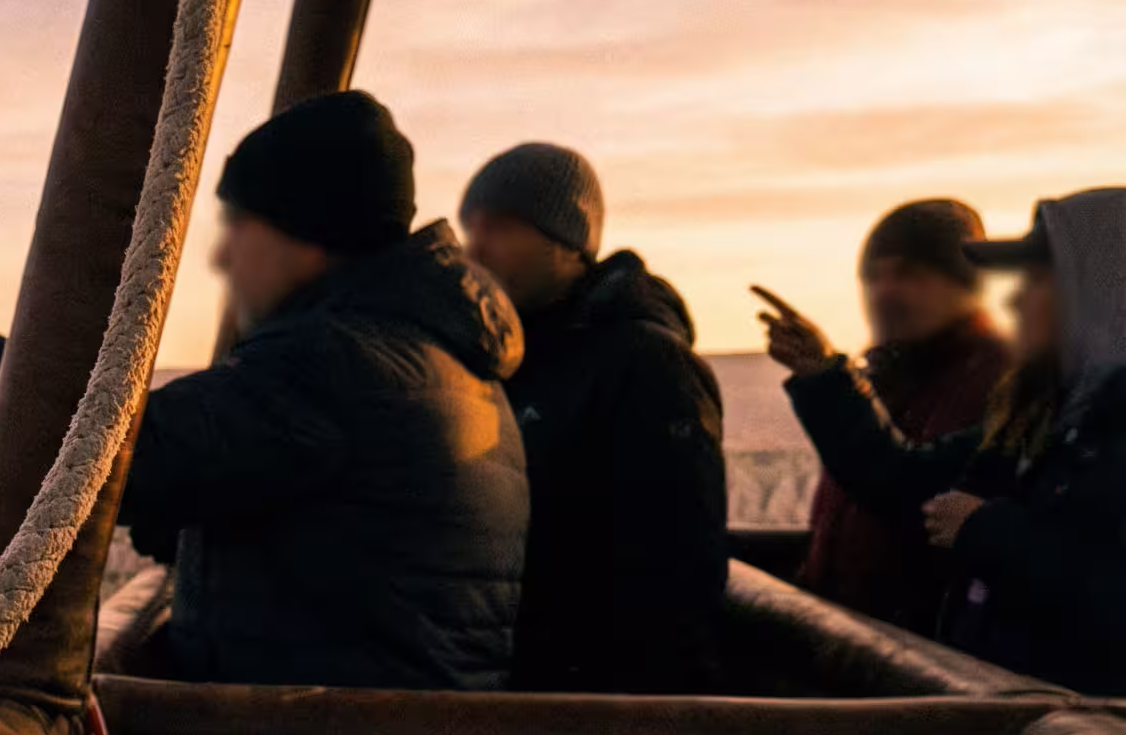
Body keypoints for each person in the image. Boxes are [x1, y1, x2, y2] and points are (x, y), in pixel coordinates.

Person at [0, 90, 530, 689]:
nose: (223, 257)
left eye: (239, 227)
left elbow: (103, 459)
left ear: (307, 235)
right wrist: (203, 534)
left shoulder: (339, 363)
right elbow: (353, 565)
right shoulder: (432, 356)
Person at [759, 188, 1126, 694]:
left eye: (1038, 280)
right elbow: (912, 483)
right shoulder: (1047, 417)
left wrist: (984, 527)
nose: (1015, 298)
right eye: (875, 276)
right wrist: (824, 377)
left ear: (1100, 293)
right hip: (995, 716)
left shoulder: (1018, 393)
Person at [458, 144, 727, 693]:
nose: (475, 249)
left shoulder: (649, 364)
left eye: (501, 228)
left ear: (569, 242)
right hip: (517, 686)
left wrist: (643, 720)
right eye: (471, 229)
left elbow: (678, 571)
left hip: (596, 704)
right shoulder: (510, 359)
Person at [793, 200, 1010, 634]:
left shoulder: (1005, 382)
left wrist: (826, 380)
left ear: (964, 284)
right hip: (850, 645)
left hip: (922, 656)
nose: (885, 291)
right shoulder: (880, 380)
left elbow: (908, 490)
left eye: (909, 274)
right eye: (874, 277)